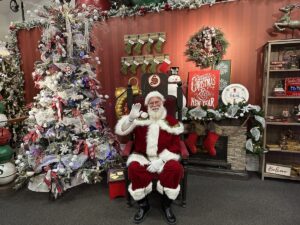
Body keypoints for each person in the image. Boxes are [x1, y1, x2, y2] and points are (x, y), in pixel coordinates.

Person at [115, 91, 184, 225]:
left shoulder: (172, 122)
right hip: (143, 157)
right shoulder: (140, 119)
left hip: (164, 157)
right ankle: (143, 205)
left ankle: (166, 204)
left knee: (175, 168)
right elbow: (122, 130)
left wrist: (162, 160)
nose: (154, 105)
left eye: (157, 102)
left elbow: (176, 146)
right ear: (147, 106)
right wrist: (130, 119)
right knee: (134, 168)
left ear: (162, 103)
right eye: (151, 103)